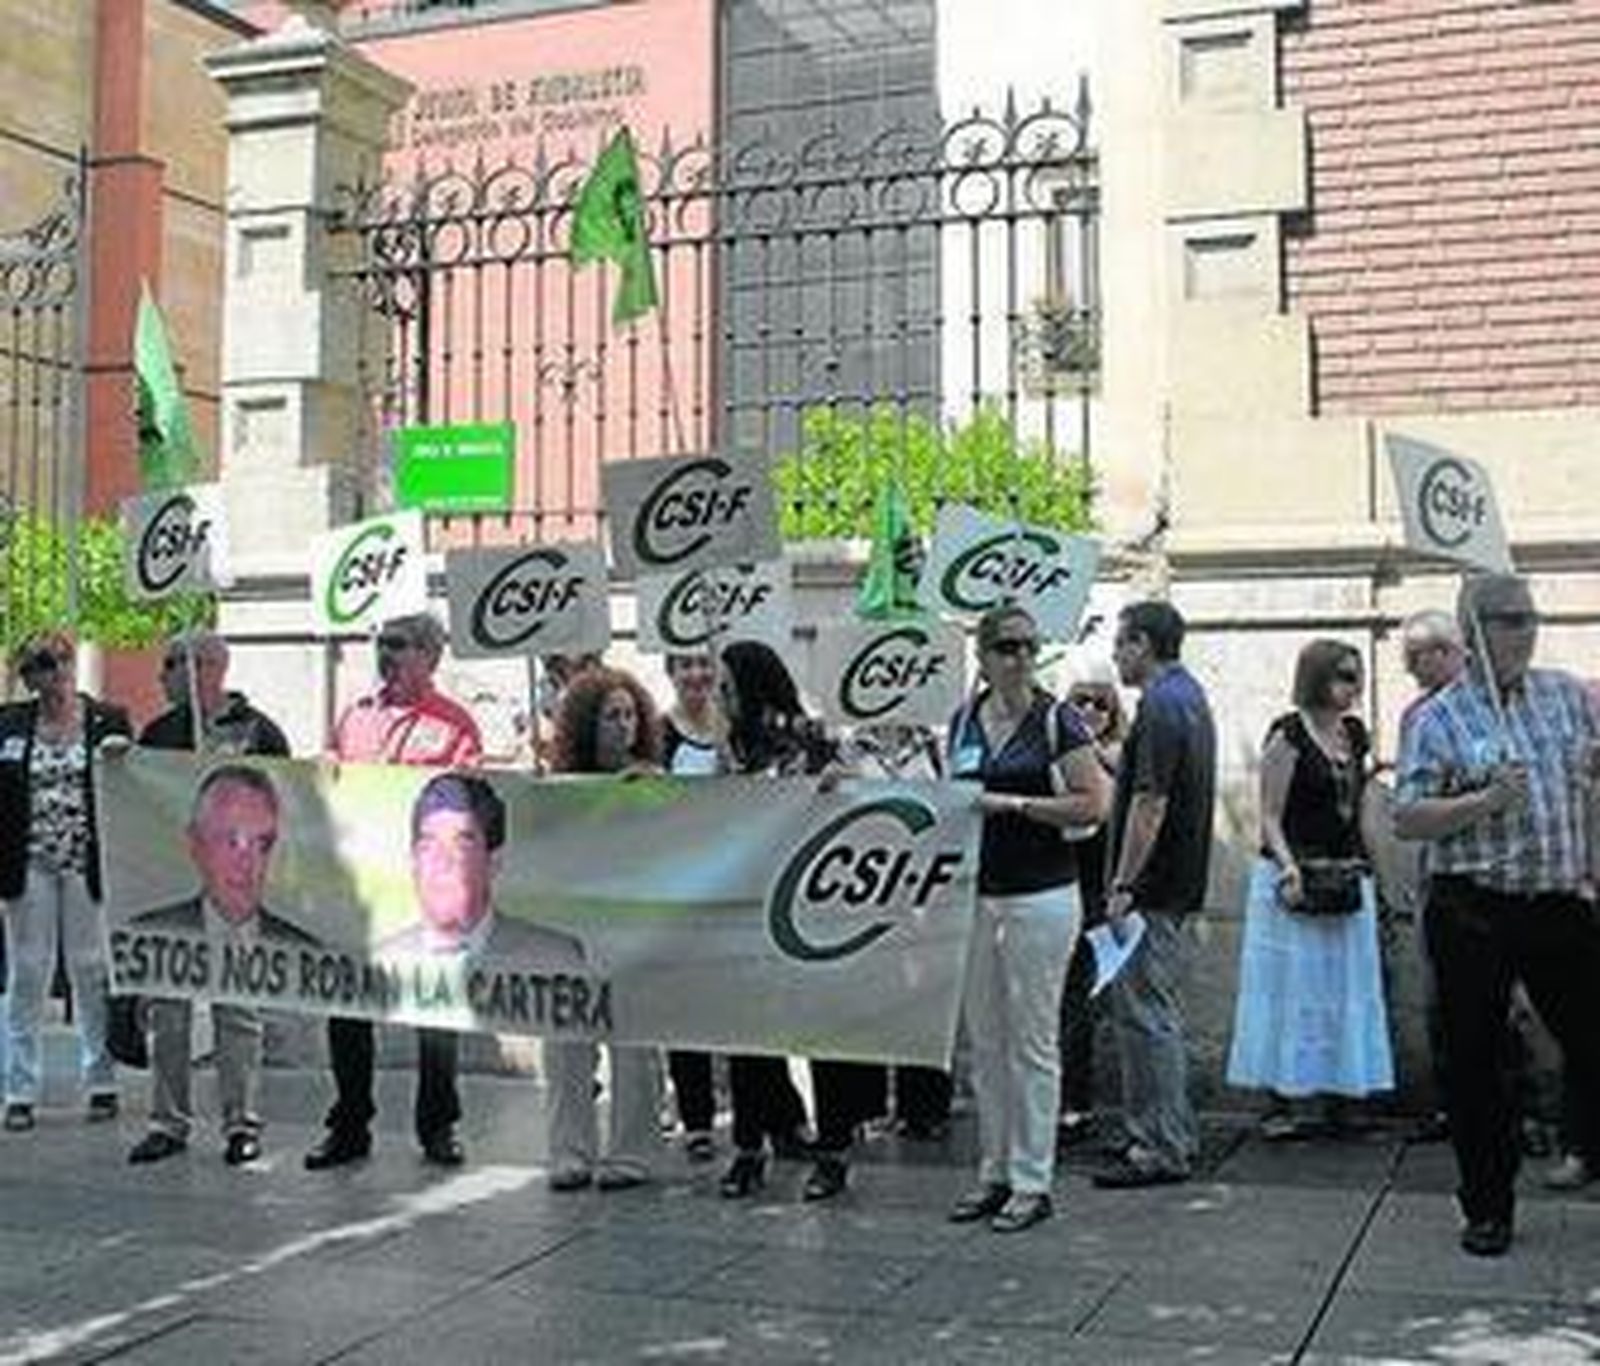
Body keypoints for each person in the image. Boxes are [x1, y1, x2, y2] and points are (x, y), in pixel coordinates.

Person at [1395, 573, 1600, 1257]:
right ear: (1475, 631)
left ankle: (1584, 1150)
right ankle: (1488, 1205)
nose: (1527, 629)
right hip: (1472, 908)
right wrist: (1482, 801)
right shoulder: (1439, 716)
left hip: (1558, 901)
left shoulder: (1567, 696)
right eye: (1511, 619)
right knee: (1476, 1061)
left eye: (1531, 616)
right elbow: (1409, 818)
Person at [945, 606, 1111, 1233]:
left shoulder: (1057, 719)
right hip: (975, 896)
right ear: (983, 656)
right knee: (985, 1043)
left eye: (1028, 647)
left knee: (1033, 1041)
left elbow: (1091, 802)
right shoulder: (962, 719)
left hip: (1041, 895)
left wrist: (1011, 803)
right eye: (1006, 647)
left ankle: (1033, 1179)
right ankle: (994, 1170)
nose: (1018, 658)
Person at [305, 613, 482, 1171]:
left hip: (425, 892)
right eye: (381, 645)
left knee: (434, 1008)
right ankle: (350, 1123)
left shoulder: (455, 723)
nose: (387, 655)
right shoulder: (355, 717)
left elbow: (470, 796)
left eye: (399, 646)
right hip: (359, 889)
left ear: (431, 656)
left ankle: (438, 1125)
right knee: (348, 1006)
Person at [715, 640, 872, 1203]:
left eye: (727, 686)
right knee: (745, 1034)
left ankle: (833, 1149)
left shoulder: (811, 738)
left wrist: (836, 783)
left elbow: (858, 791)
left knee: (823, 1030)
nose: (719, 696)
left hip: (810, 908)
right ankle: (750, 1145)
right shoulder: (728, 747)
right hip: (746, 908)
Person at [1225, 640, 1395, 1135]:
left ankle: (1343, 1095)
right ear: (1317, 677)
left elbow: (1362, 809)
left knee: (1347, 989)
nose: (1353, 685)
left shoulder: (1354, 734)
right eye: (1343, 675)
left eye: (1356, 675)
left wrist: (1380, 875)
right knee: (1288, 990)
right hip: (1295, 877)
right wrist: (1288, 867)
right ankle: (1283, 1102)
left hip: (1345, 873)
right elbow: (1270, 816)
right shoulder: (1289, 734)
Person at [128, 765, 316, 1165]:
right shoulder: (153, 925)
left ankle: (242, 1125)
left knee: (240, 1014)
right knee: (167, 1015)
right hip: (173, 936)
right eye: (229, 841)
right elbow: (133, 782)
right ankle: (167, 1124)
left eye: (260, 843)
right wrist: (118, 754)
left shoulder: (301, 942)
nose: (246, 859)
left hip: (247, 938)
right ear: (196, 844)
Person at [1093, 600, 1216, 1189]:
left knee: (1145, 1017)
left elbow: (1150, 801)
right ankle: (1166, 1131)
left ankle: (1160, 1145)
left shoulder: (1163, 706)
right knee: (1152, 1013)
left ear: (1143, 643)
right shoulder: (1187, 697)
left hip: (1153, 889)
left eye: (1121, 644)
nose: (1116, 655)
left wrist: (1123, 883)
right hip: (1172, 886)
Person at [0, 631, 132, 1131]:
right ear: (26, 677)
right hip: (28, 862)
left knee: (90, 969)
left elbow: (133, 786)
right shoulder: (9, 724)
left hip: (85, 861)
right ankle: (18, 1090)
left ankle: (101, 1081)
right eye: (37, 666)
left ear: (72, 664)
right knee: (27, 972)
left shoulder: (108, 721)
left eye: (56, 662)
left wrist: (124, 757)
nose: (49, 675)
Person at [544, 668, 663, 1191]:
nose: (623, 725)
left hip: (634, 929)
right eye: (610, 716)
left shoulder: (656, 781)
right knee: (566, 1046)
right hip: (568, 930)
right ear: (586, 725)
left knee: (634, 1047)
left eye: (630, 714)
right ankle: (569, 1151)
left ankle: (631, 1153)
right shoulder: (554, 788)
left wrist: (656, 796)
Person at [380, 773, 585, 967]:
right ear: (413, 861)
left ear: (493, 862)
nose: (441, 861)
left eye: (461, 846)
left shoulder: (555, 956)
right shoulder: (379, 960)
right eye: (428, 845)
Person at [1058, 659, 1126, 1142]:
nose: (1090, 710)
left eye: (1101, 702)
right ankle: (1065, 1101)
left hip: (1102, 892)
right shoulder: (1055, 751)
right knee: (1063, 1004)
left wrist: (1094, 756)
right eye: (1079, 700)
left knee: (1083, 1004)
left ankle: (1077, 1103)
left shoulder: (1119, 754)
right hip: (1060, 883)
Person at [660, 651, 724, 1162]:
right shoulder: (658, 734)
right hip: (678, 893)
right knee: (682, 1010)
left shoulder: (736, 729)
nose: (697, 675)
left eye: (706, 663)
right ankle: (696, 1118)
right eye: (686, 666)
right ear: (671, 673)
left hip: (736, 892)